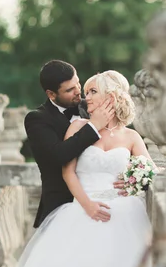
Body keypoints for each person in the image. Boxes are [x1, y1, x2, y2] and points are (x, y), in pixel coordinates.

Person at [4, 70, 155, 267]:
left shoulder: (132, 136)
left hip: (126, 212)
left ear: (111, 96)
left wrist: (134, 181)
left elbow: (151, 171)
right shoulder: (77, 127)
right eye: (85, 92)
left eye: (92, 91)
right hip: (83, 208)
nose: (86, 98)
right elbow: (68, 171)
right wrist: (88, 205)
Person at [24, 60, 121, 228]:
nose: (78, 92)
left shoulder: (89, 106)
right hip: (59, 208)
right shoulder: (37, 119)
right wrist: (93, 127)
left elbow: (118, 139)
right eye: (69, 90)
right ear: (51, 94)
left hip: (103, 204)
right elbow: (58, 155)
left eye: (78, 83)